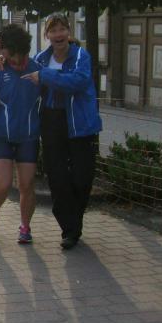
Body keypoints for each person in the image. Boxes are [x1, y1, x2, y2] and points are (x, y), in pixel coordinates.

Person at [21, 14, 102, 250]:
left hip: (80, 122)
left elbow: (77, 81)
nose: (58, 35)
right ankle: (70, 230)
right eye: (53, 31)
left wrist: (45, 76)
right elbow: (21, 72)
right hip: (51, 120)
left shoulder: (81, 56)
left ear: (69, 32)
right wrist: (1, 60)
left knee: (82, 177)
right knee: (57, 177)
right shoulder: (41, 59)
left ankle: (73, 221)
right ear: (47, 35)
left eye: (62, 29)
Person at [0, 24, 42, 244]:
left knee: (26, 185)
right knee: (3, 184)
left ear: (16, 49)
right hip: (1, 135)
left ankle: (25, 227)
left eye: (1, 47)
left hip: (28, 136)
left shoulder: (37, 70)